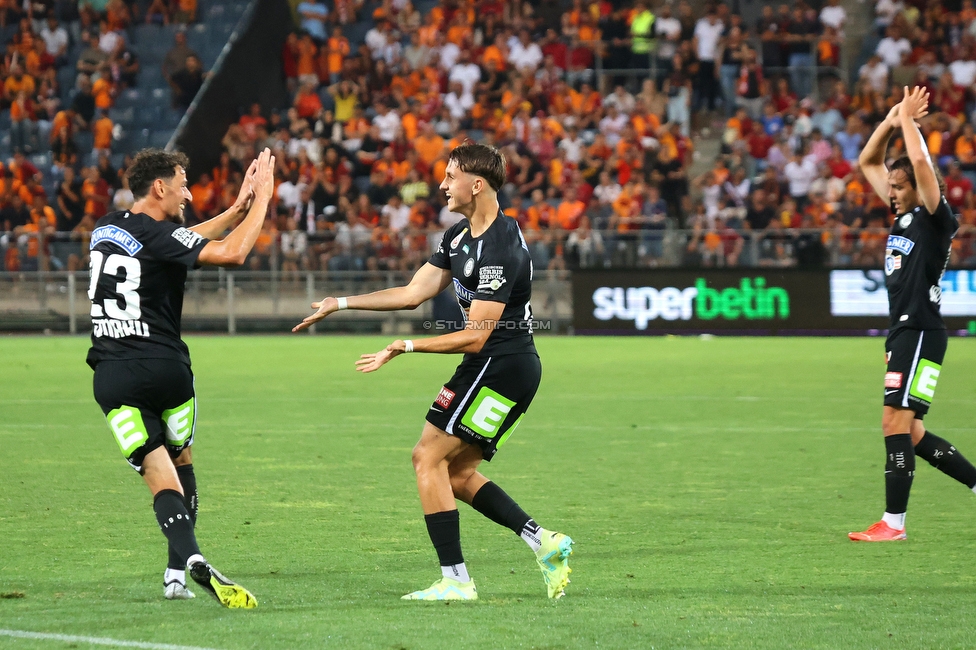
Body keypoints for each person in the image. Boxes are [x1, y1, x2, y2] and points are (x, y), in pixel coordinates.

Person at [294, 143, 574, 600]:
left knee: (426, 458)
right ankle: (543, 542)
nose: (441, 185)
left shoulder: (501, 247)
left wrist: (404, 345)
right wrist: (339, 303)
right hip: (496, 365)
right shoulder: (458, 237)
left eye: (450, 176)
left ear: (476, 184)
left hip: (500, 364)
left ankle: (456, 581)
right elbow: (411, 293)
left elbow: (475, 335)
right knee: (456, 472)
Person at [86, 147, 275, 605]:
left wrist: (235, 209)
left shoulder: (106, 229)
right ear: (160, 188)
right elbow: (229, 253)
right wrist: (264, 200)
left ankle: (185, 566)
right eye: (183, 184)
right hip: (165, 368)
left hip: (111, 376)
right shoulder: (158, 235)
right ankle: (177, 569)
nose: (188, 194)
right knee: (182, 459)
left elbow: (176, 242)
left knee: (157, 473)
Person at [849, 87, 975, 542]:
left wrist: (908, 120)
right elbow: (867, 162)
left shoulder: (936, 217)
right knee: (913, 433)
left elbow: (921, 166)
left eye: (899, 188)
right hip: (909, 333)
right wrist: (888, 120)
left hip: (919, 331)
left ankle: (893, 525)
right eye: (893, 187)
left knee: (892, 423)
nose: (893, 193)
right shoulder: (903, 217)